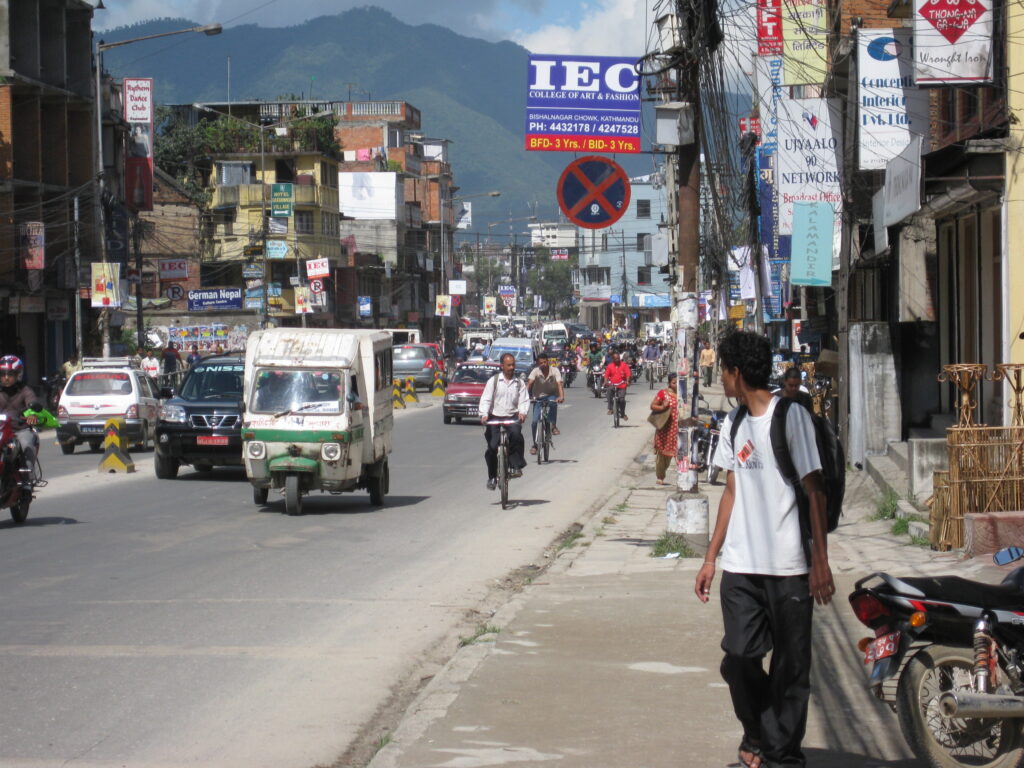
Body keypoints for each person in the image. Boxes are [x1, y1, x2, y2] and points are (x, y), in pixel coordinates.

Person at [694, 330, 833, 768]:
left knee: (792, 671)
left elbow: (815, 491)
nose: (723, 380)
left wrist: (820, 563)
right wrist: (711, 558)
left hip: (789, 566)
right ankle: (758, 733)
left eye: (724, 372)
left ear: (735, 372)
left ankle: (779, 755)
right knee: (738, 658)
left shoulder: (791, 417)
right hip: (740, 566)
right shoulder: (733, 424)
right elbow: (731, 492)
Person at [478, 352, 529, 491]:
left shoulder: (519, 383)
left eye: (513, 364)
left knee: (516, 436)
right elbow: (486, 399)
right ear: (502, 366)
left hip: (511, 416)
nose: (512, 367)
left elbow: (524, 400)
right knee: (492, 448)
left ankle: (515, 466)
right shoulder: (493, 381)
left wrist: (523, 413)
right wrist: (483, 414)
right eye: (509, 365)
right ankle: (492, 477)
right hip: (495, 417)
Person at [0, 356, 40, 481]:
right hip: (1, 431)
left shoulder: (25, 390)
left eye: (10, 374)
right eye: (3, 374)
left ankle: (28, 479)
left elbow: (32, 403)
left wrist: (32, 415)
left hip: (19, 430)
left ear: (18, 375)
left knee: (26, 444)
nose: (6, 377)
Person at [526, 352, 564, 454]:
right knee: (534, 422)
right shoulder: (535, 371)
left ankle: (553, 425)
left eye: (545, 362)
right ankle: (535, 444)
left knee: (553, 403)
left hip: (551, 395)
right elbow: (529, 383)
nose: (544, 364)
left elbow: (559, 384)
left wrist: (561, 397)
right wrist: (525, 397)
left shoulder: (555, 370)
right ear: (538, 364)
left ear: (548, 361)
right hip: (538, 398)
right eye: (541, 363)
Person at [650, 372, 678, 485]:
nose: (676, 385)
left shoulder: (684, 394)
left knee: (680, 452)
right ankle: (660, 476)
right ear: (669, 383)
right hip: (665, 429)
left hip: (679, 429)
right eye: (674, 382)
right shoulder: (663, 393)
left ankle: (683, 475)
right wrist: (662, 406)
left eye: (678, 382)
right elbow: (652, 405)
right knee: (662, 454)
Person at [603, 350, 632, 421]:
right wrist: (605, 382)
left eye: (618, 358)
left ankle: (622, 414)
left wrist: (627, 381)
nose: (617, 360)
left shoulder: (624, 365)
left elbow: (628, 374)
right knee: (609, 391)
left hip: (622, 385)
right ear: (613, 359)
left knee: (622, 400)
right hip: (612, 384)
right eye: (616, 359)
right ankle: (610, 409)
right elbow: (606, 375)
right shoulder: (610, 366)